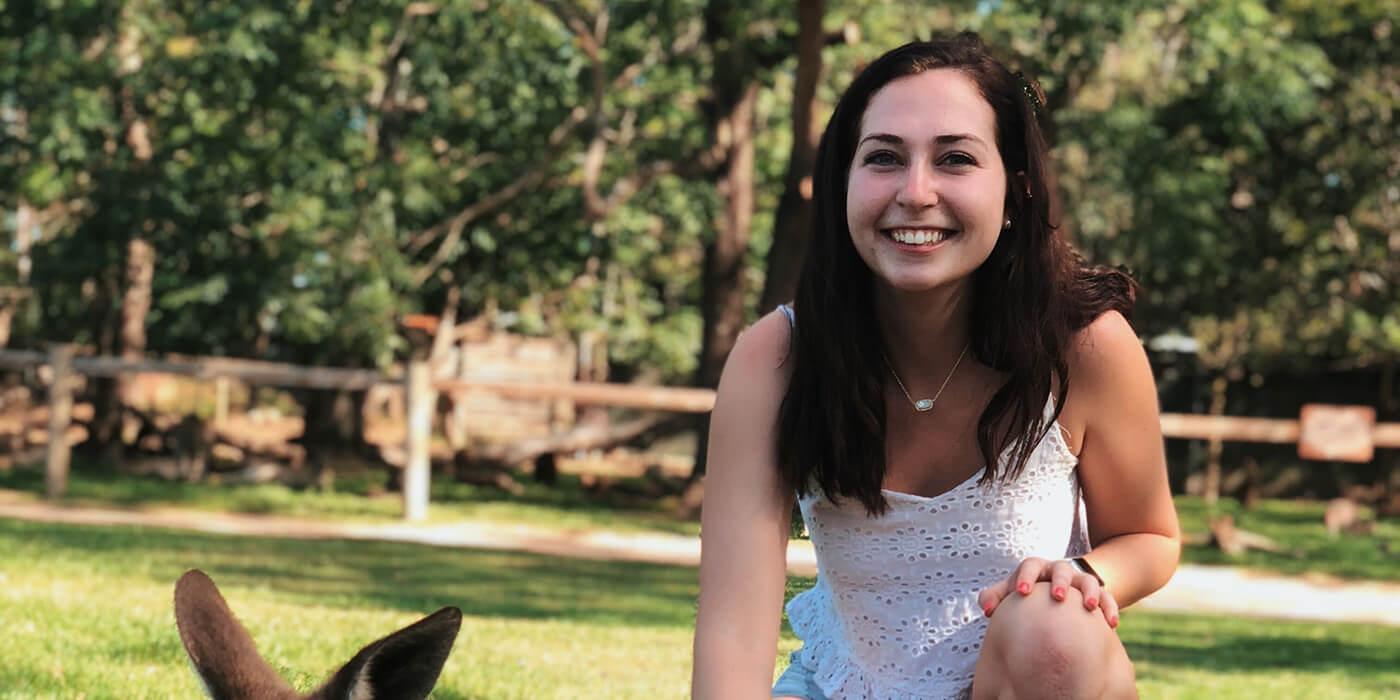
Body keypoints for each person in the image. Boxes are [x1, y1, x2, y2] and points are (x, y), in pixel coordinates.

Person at [691, 33, 1180, 700]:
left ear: (1017, 191)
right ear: (843, 184)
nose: (916, 192)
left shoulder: (1087, 346)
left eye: (954, 159)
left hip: (1024, 679)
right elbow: (732, 630)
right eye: (885, 158)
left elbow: (1148, 535)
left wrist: (1084, 579)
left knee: (1055, 625)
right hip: (842, 686)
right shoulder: (775, 358)